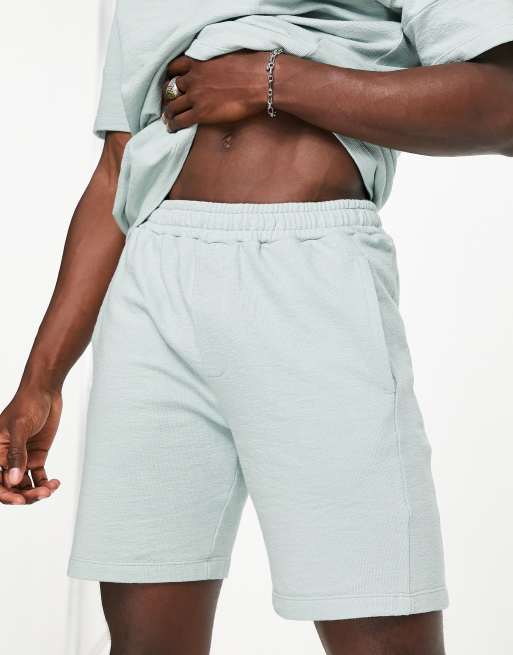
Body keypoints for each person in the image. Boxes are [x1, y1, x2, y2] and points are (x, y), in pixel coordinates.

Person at [1, 1, 513, 653]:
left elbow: (501, 105)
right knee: (142, 638)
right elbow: (115, 171)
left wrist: (275, 80)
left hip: (309, 276)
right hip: (152, 284)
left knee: (377, 614)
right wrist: (41, 381)